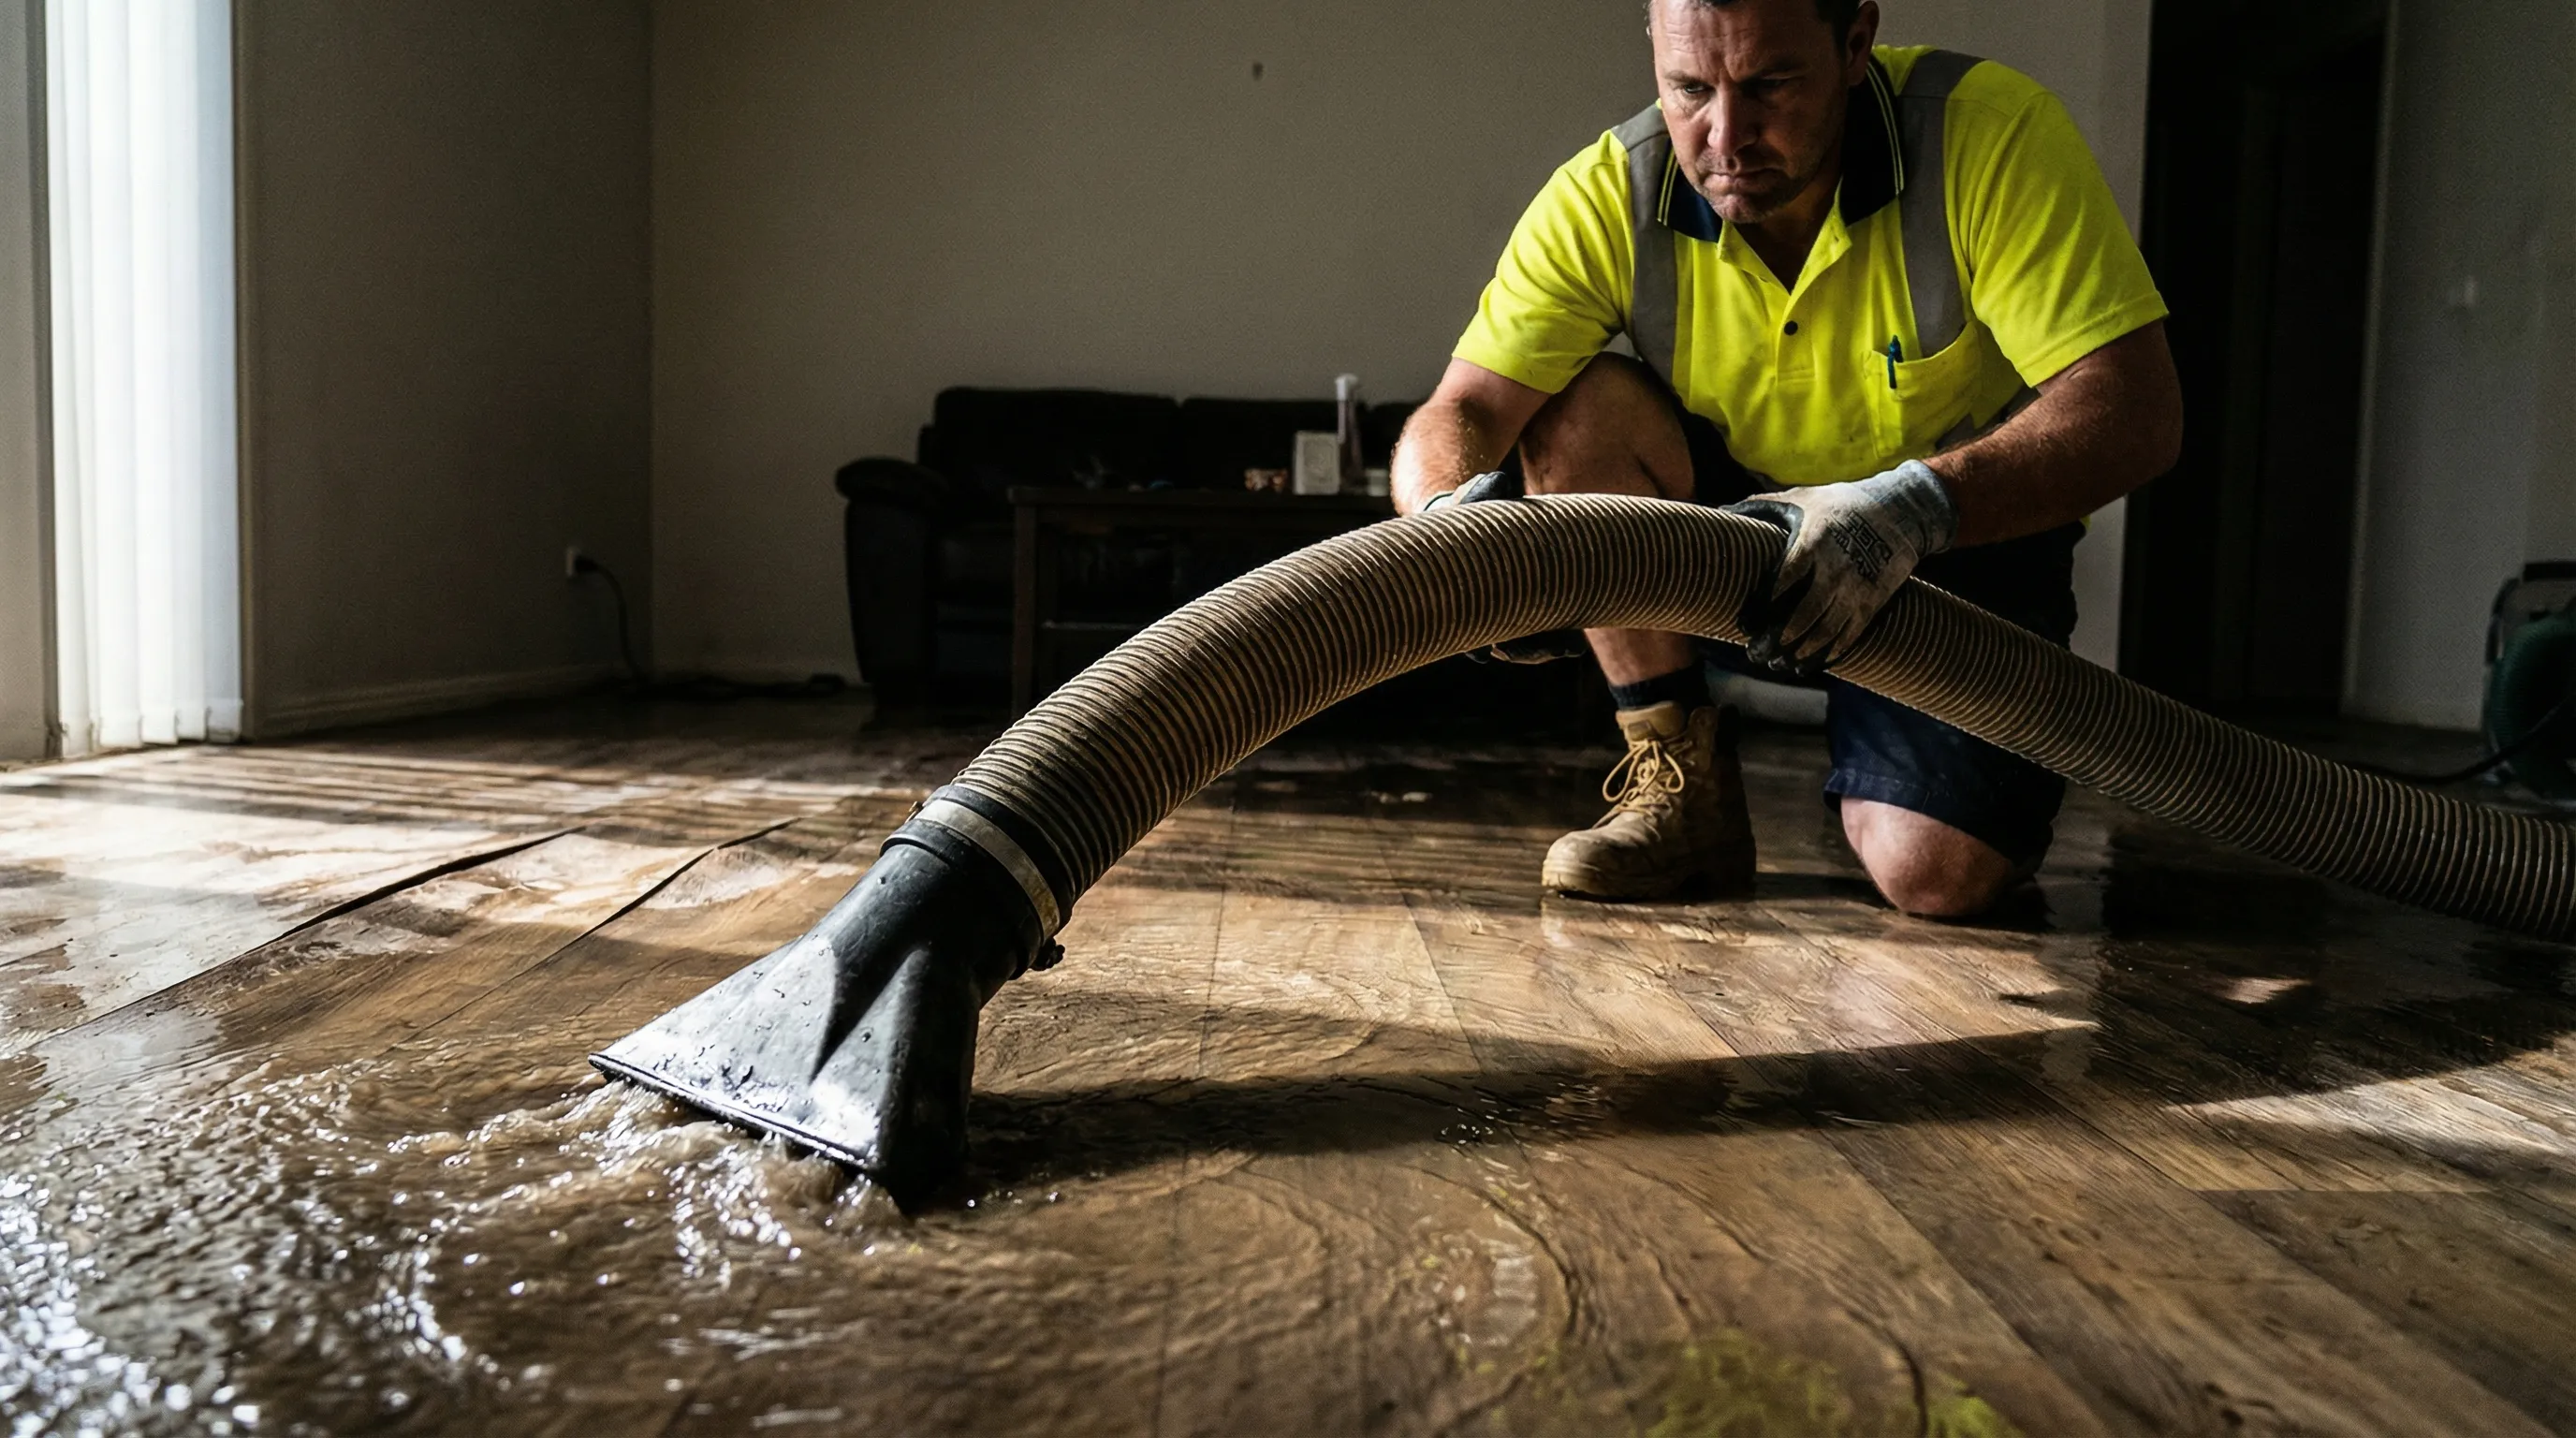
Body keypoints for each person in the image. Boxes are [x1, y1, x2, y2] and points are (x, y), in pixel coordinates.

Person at [1390, 0, 2182, 918]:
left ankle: (1948, 760)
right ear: (1656, 56)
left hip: (1953, 540)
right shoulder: (1609, 192)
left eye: (1769, 84)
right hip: (1734, 537)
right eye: (1690, 87)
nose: (1724, 135)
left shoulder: (1988, 138)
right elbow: (1463, 410)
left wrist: (1909, 510)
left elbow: (2135, 411)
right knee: (1570, 407)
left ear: (1853, 45)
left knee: (1936, 874)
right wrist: (1456, 526)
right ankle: (1677, 783)